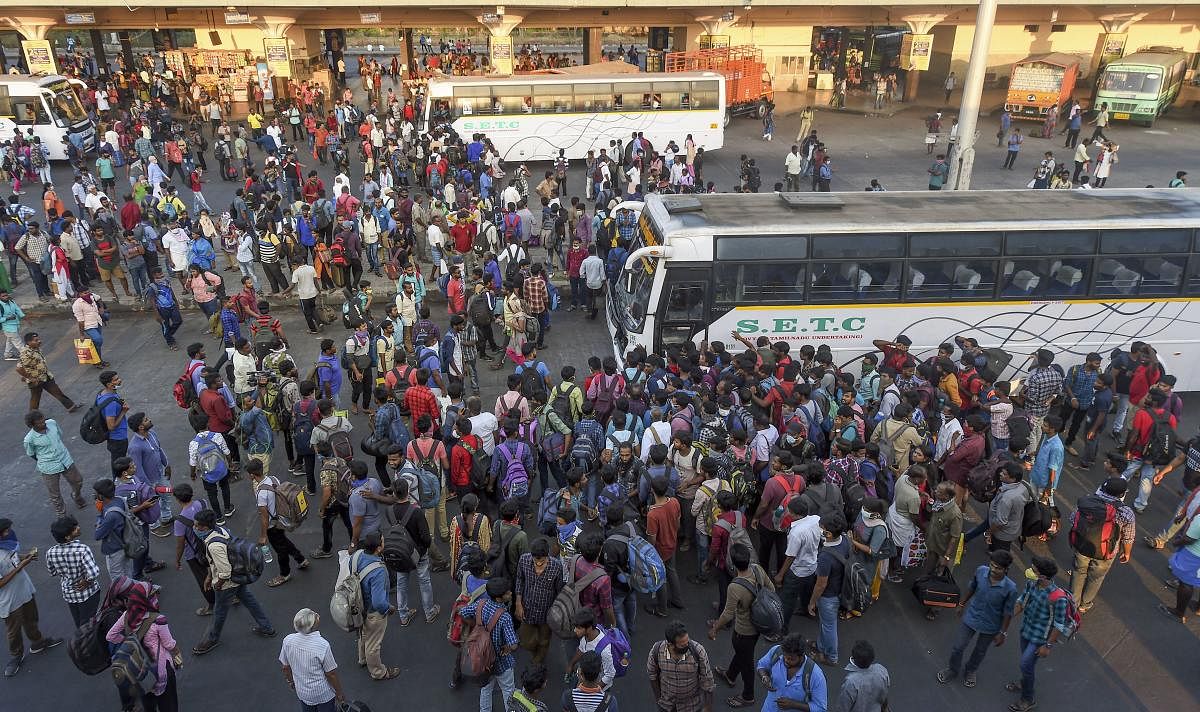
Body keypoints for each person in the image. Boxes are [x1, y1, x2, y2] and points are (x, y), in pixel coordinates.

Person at [191, 507, 276, 656]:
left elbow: (224, 572)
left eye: (198, 526)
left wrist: (217, 585)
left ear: (206, 527)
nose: (195, 528)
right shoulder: (221, 530)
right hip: (239, 575)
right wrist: (209, 576)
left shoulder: (214, 545)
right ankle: (267, 627)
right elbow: (215, 563)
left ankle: (212, 639)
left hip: (228, 583)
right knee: (249, 600)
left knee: (219, 611)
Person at [937, 548, 1017, 687]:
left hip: (991, 624)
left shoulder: (1010, 588)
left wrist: (1002, 633)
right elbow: (972, 588)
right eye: (992, 565)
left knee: (980, 651)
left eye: (997, 568)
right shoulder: (981, 571)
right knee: (958, 647)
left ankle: (971, 670)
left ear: (1006, 569)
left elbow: (1008, 612)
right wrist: (961, 604)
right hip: (972, 616)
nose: (992, 569)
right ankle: (952, 669)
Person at [708, 542, 771, 707]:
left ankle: (748, 695)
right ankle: (730, 675)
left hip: (743, 630)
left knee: (747, 662)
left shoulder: (735, 586)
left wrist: (715, 628)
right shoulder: (758, 569)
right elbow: (770, 589)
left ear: (733, 564)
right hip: (758, 627)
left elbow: (728, 614)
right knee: (743, 653)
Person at [0, 517, 63, 678]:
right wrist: (21, 566)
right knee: (13, 630)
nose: (9, 533)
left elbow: (12, 558)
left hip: (25, 590)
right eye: (5, 531)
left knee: (31, 618)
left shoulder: (8, 544)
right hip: (10, 600)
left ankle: (38, 642)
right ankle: (16, 655)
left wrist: (24, 557)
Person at [103, 580, 179, 712]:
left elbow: (110, 636)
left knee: (148, 699)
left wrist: (130, 641)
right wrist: (178, 657)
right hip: (161, 667)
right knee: (168, 703)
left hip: (140, 667)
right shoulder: (158, 619)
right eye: (152, 595)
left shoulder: (126, 615)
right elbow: (169, 644)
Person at [1008, 556, 1068, 712]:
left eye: (1034, 570)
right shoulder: (1032, 584)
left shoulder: (1058, 598)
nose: (1030, 571)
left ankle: (1028, 699)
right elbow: (1021, 603)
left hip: (1040, 639)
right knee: (1028, 664)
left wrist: (1047, 646)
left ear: (1043, 576)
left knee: (1025, 664)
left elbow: (1059, 625)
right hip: (1026, 631)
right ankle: (1024, 682)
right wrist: (1006, 618)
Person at [1068, 477, 1135, 614]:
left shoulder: (1087, 501)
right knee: (1096, 577)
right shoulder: (1125, 512)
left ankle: (1072, 603)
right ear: (1122, 494)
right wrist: (1126, 552)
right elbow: (1128, 537)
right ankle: (1085, 604)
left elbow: (1072, 520)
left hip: (1082, 545)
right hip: (1106, 552)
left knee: (1078, 572)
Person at [459, 576, 520, 712]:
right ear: (499, 597)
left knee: (485, 688)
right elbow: (514, 644)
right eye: (508, 592)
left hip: (481, 660)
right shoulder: (504, 616)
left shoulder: (481, 604)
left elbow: (462, 612)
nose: (511, 593)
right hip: (500, 661)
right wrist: (508, 647)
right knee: (508, 690)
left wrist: (475, 625)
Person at [249, 458, 309, 588]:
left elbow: (264, 517)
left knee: (280, 550)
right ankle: (300, 559)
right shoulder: (273, 479)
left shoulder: (261, 493)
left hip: (272, 525)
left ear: (252, 475)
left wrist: (263, 535)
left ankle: (284, 574)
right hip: (282, 519)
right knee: (283, 541)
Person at [351, 531, 400, 680]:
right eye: (383, 542)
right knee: (373, 644)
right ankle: (378, 672)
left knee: (363, 633)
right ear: (378, 548)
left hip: (359, 607)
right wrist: (389, 608)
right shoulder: (378, 571)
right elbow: (379, 602)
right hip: (373, 611)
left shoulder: (356, 555)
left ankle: (362, 658)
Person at [279, 608, 347, 711]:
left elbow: (285, 667)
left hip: (303, 693)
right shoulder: (322, 645)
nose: (317, 615)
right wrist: (339, 693)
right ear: (312, 625)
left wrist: (291, 681)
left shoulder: (288, 640)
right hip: (323, 694)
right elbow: (331, 674)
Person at [23, 410, 85, 518]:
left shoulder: (52, 423)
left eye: (43, 421)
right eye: (39, 423)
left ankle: (76, 496)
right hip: (49, 467)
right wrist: (45, 459)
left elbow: (59, 435)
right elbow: (31, 454)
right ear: (32, 425)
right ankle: (61, 515)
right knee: (55, 494)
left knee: (78, 481)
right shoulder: (29, 439)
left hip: (65, 459)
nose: (43, 424)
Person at [807, 511, 850, 665]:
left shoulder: (825, 557)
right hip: (840, 589)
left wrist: (812, 602)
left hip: (829, 596)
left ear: (828, 534)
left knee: (829, 626)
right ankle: (820, 645)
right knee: (826, 624)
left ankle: (831, 656)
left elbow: (821, 584)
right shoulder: (844, 540)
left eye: (822, 528)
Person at [44, 515, 102, 627]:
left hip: (69, 593)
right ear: (67, 537)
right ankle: (88, 643)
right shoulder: (82, 550)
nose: (78, 528)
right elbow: (94, 572)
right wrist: (87, 581)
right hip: (87, 593)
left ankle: (80, 641)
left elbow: (52, 572)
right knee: (88, 624)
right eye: (75, 528)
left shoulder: (50, 552)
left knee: (79, 621)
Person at [647, 620, 715, 712]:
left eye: (687, 641)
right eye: (683, 645)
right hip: (667, 706)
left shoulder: (698, 651)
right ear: (670, 644)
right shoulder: (656, 651)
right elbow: (652, 675)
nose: (687, 646)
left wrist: (708, 707)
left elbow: (707, 680)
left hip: (691, 706)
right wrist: (659, 699)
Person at [755, 633, 828, 712]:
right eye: (785, 656)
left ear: (802, 655)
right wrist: (764, 677)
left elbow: (820, 708)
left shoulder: (816, 675)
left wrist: (794, 705)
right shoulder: (776, 651)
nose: (786, 661)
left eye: (791, 659)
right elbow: (761, 666)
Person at [17, 332, 80, 412]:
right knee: (35, 398)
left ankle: (71, 406)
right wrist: (29, 377)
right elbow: (19, 368)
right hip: (36, 380)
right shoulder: (25, 353)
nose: (39, 341)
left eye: (38, 339)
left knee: (57, 392)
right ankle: (33, 415)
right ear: (29, 342)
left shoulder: (36, 348)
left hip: (46, 376)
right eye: (36, 340)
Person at [837, 640, 890, 712]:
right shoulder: (881, 671)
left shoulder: (851, 682)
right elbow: (884, 697)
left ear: (854, 659)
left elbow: (843, 708)